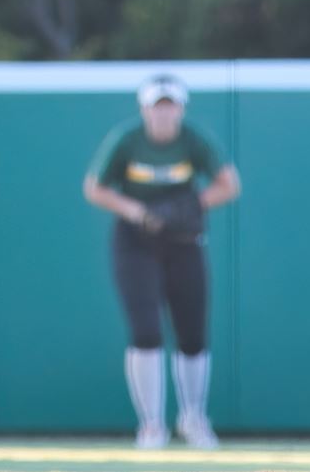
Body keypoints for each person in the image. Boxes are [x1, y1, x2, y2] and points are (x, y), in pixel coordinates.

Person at [83, 75, 242, 449]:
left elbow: (229, 184)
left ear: (181, 109)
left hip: (183, 241)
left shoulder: (194, 140)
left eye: (170, 106)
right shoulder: (127, 139)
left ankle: (193, 418)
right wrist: (136, 211)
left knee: (192, 334)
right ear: (145, 110)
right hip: (136, 242)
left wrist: (188, 206)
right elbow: (95, 187)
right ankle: (151, 425)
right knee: (146, 332)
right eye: (158, 107)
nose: (164, 114)